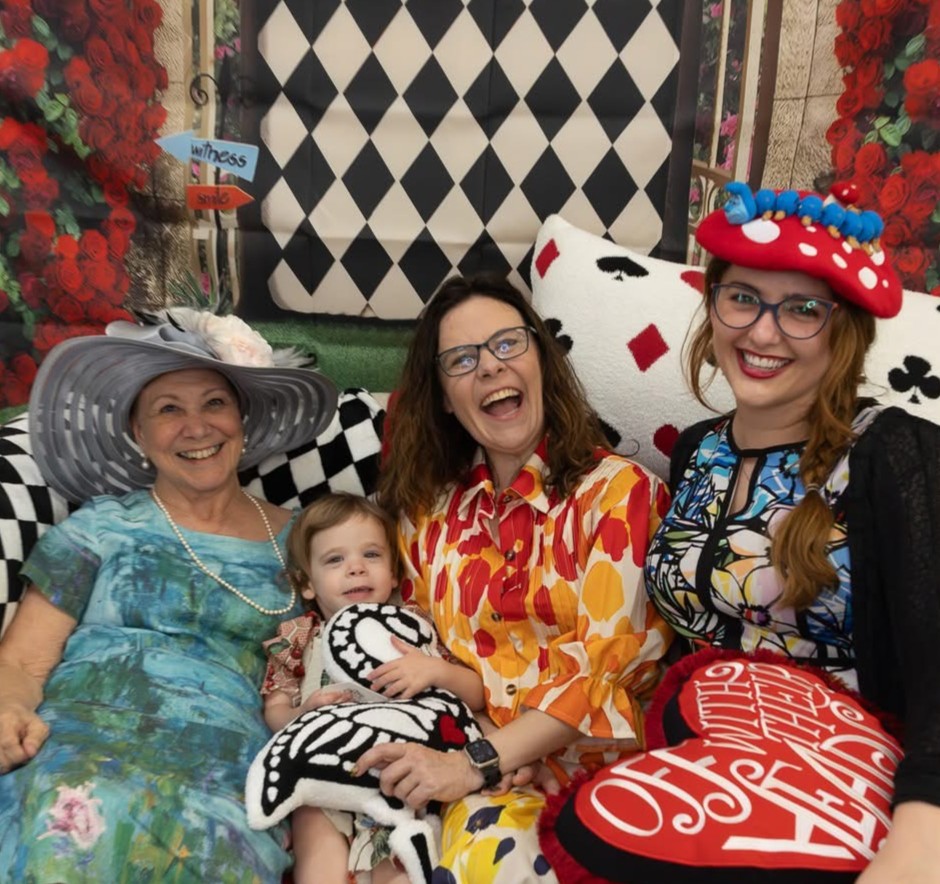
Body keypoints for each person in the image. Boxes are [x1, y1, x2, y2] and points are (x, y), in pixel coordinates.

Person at [644, 183, 940, 883]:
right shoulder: (694, 451)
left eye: (803, 310)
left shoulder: (894, 455)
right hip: (692, 772)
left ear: (845, 331)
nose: (763, 332)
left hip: (842, 788)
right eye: (742, 297)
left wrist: (919, 843)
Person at [0, 309, 337, 882]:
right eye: (168, 409)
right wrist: (7, 709)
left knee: (217, 844)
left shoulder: (309, 538)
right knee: (67, 816)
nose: (196, 428)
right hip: (79, 741)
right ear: (138, 432)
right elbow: (22, 662)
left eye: (213, 403)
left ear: (242, 418)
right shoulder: (99, 526)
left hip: (226, 767)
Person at [356, 274, 673, 882]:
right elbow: (419, 648)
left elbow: (602, 671)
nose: (489, 368)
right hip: (465, 757)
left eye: (507, 344)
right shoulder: (428, 516)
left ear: (541, 361)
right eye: (462, 359)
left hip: (589, 776)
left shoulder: (619, 496)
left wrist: (482, 760)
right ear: (445, 396)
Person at [260, 491, 486, 884]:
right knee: (316, 840)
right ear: (306, 583)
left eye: (371, 555)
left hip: (406, 775)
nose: (356, 569)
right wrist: (300, 714)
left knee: (402, 863)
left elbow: (476, 694)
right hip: (329, 775)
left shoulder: (414, 626)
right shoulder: (299, 636)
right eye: (335, 560)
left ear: (395, 573)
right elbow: (275, 707)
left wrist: (433, 671)